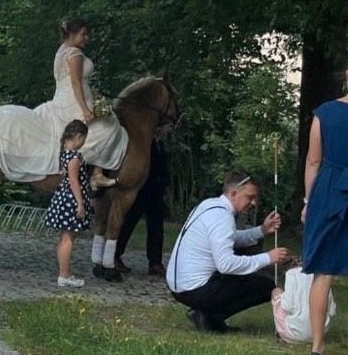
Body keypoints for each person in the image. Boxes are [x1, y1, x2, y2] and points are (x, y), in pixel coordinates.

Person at [0, 18, 127, 182]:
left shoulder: (62, 51)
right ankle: (96, 174)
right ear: (72, 34)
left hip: (61, 99)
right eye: (83, 34)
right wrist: (85, 109)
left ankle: (89, 172)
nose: (86, 38)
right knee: (109, 127)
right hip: (73, 102)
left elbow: (74, 80)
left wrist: (94, 94)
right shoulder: (75, 54)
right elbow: (75, 82)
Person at [165, 171, 289, 332]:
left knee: (244, 275)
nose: (253, 203)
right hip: (193, 289)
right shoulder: (222, 217)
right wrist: (268, 257)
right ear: (233, 193)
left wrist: (262, 230)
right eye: (250, 197)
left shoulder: (209, 205)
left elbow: (232, 238)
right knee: (265, 286)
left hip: (178, 284)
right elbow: (226, 265)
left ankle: (206, 314)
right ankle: (208, 316)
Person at [301, 82, 348, 355]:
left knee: (323, 273)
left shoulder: (324, 113)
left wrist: (309, 202)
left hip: (329, 193)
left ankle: (317, 347)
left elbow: (312, 161)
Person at [114, 124, 171, 276]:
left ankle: (155, 262)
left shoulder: (159, 143)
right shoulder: (146, 143)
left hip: (156, 189)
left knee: (156, 226)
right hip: (142, 187)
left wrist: (165, 183)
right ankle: (116, 254)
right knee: (129, 221)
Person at [45, 120, 93, 287]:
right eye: (84, 138)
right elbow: (74, 182)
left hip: (64, 198)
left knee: (64, 238)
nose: (84, 142)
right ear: (78, 136)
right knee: (68, 239)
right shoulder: (74, 157)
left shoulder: (65, 153)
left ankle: (65, 271)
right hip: (70, 200)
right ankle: (64, 275)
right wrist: (81, 204)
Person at [272, 262, 336, 343]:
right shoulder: (322, 275)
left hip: (294, 334)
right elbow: (332, 310)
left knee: (276, 292)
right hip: (320, 333)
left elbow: (287, 306)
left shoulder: (291, 274)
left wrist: (281, 298)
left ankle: (280, 332)